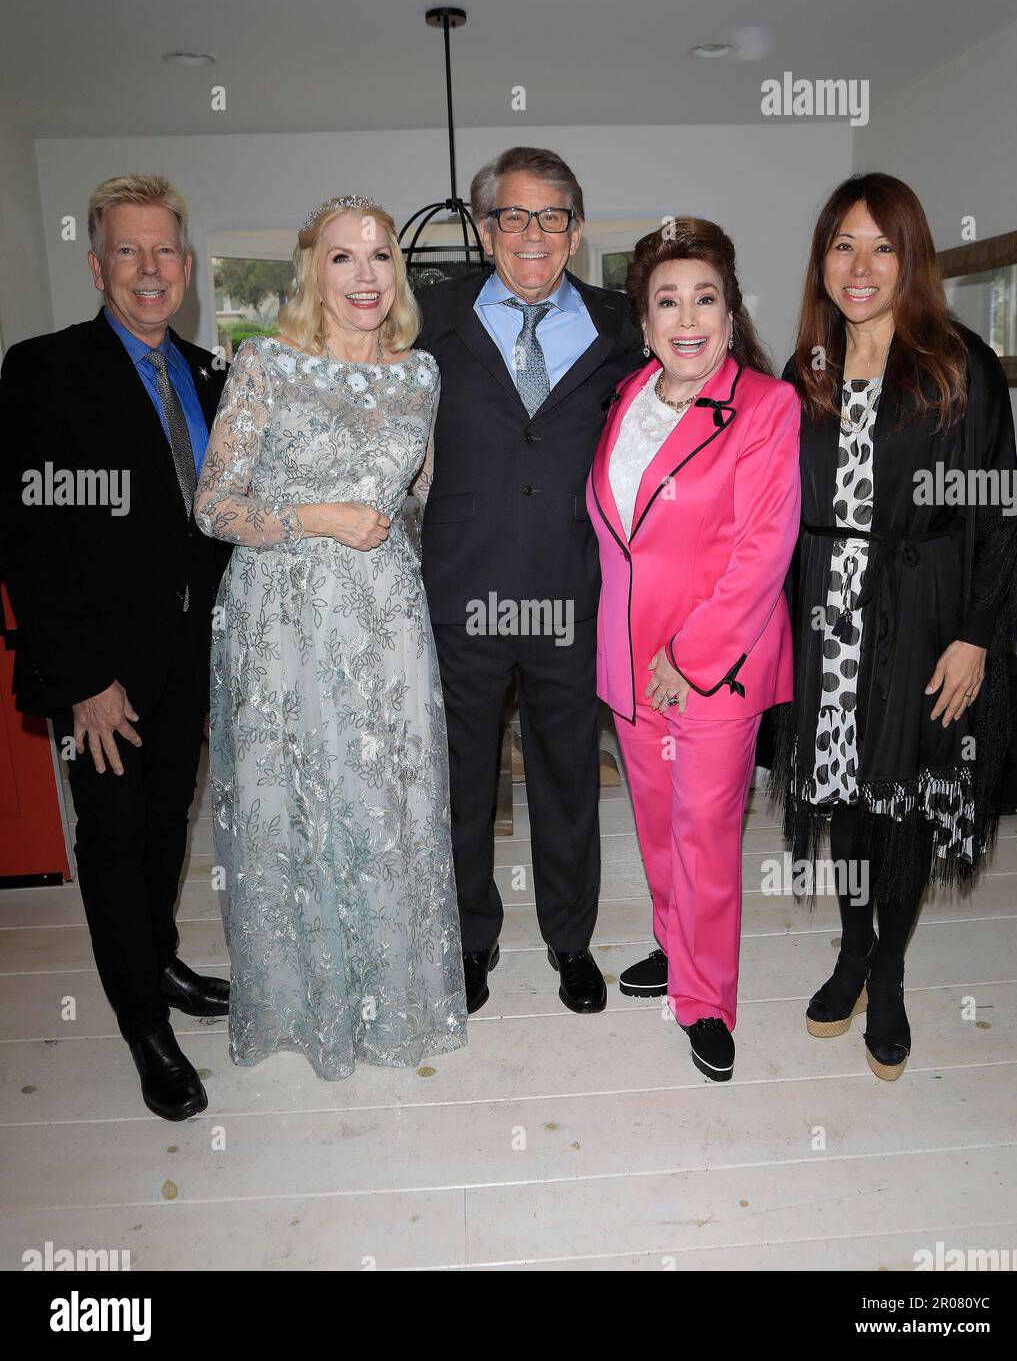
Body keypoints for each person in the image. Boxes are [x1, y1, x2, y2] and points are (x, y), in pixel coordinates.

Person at [195, 195, 467, 1080]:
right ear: (313, 270)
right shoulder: (265, 364)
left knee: (387, 806)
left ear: (399, 273)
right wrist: (320, 516)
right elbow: (214, 506)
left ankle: (392, 997)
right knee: (297, 806)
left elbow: (420, 503)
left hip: (383, 621)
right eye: (343, 258)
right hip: (280, 625)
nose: (364, 276)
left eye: (380, 256)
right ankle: (304, 1006)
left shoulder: (421, 376)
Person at [769, 173, 1017, 1080]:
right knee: (842, 792)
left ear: (911, 257)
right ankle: (849, 948)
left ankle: (890, 969)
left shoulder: (960, 364)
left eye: (882, 245)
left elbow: (998, 515)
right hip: (824, 612)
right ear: (822, 261)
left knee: (905, 794)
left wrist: (977, 639)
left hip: (922, 618)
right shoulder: (805, 372)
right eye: (843, 244)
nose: (861, 264)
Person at [0, 174, 231, 1120]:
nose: (148, 269)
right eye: (127, 251)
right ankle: (143, 1024)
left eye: (163, 251)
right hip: (104, 672)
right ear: (96, 265)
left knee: (169, 818)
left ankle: (160, 959)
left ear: (185, 266)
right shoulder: (45, 368)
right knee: (112, 834)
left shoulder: (210, 372)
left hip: (192, 656)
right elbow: (27, 536)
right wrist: (85, 679)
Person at [414, 146, 643, 1014]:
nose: (533, 234)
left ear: (577, 229)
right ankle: (469, 943)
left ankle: (571, 943)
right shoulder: (428, 315)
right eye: (514, 215)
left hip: (573, 591)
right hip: (461, 590)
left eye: (552, 216)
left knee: (565, 781)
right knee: (462, 781)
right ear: (485, 228)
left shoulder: (626, 322)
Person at [588, 218, 801, 1080]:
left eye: (703, 299)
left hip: (714, 664)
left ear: (729, 309)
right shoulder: (628, 396)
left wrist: (689, 656)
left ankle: (707, 999)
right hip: (632, 667)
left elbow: (763, 548)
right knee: (657, 828)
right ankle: (677, 951)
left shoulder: (764, 406)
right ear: (644, 323)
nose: (686, 319)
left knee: (706, 834)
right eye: (666, 302)